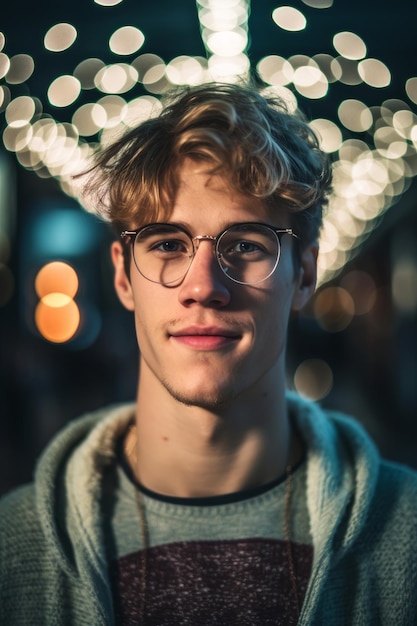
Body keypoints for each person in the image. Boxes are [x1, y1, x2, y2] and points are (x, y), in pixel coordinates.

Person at [1, 82, 416, 626]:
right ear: (124, 276)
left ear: (305, 276)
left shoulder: (405, 533)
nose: (204, 286)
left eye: (246, 244)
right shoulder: (15, 547)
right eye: (168, 244)